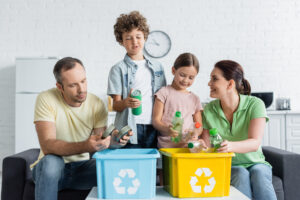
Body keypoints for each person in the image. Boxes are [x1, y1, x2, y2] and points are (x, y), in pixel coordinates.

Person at [30, 57, 131, 200]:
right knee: (51, 162)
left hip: (82, 169)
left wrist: (116, 139)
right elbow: (47, 145)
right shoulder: (46, 98)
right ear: (60, 87)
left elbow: (100, 140)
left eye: (83, 81)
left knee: (111, 168)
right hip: (53, 169)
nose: (82, 89)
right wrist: (85, 146)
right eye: (73, 85)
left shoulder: (96, 103)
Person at [201, 60, 276, 200]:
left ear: (230, 84)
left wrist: (230, 146)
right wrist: (196, 143)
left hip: (256, 162)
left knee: (259, 172)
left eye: (214, 79)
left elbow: (255, 143)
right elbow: (206, 146)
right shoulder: (209, 109)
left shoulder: (255, 104)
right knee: (240, 173)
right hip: (228, 165)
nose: (209, 83)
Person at [107, 11, 166, 148]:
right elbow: (115, 105)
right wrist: (126, 103)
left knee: (152, 167)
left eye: (138, 36)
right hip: (129, 128)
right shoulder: (117, 69)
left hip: (154, 126)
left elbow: (164, 99)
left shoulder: (158, 67)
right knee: (130, 167)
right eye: (128, 38)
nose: (134, 42)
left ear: (145, 37)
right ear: (121, 41)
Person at [152, 53, 203, 148]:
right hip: (167, 146)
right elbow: (156, 121)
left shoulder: (195, 98)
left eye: (191, 78)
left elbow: (199, 125)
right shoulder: (164, 93)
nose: (186, 80)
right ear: (173, 70)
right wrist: (167, 129)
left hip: (187, 146)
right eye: (182, 75)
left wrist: (196, 133)